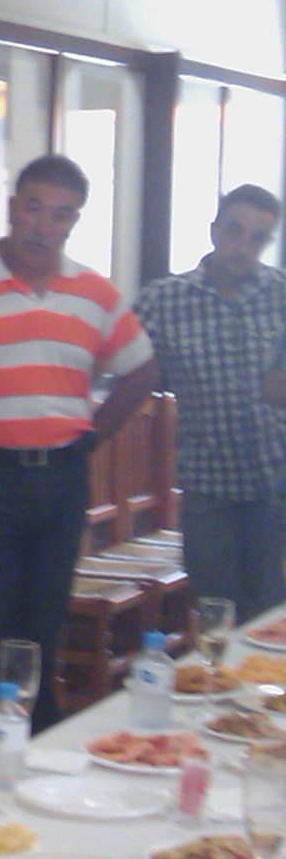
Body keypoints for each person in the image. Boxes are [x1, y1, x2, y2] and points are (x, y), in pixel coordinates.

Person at [0, 155, 157, 731]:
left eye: (60, 215)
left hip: (60, 479)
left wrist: (91, 437)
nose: (43, 226)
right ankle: (12, 743)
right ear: (13, 206)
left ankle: (30, 746)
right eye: (34, 208)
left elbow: (141, 371)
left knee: (42, 625)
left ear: (74, 222)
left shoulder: (93, 293)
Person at [134, 185, 286, 621]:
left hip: (274, 484)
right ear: (215, 230)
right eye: (235, 231)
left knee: (270, 615)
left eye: (258, 237)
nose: (243, 246)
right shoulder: (165, 299)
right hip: (208, 486)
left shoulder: (281, 294)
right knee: (215, 614)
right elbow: (120, 362)